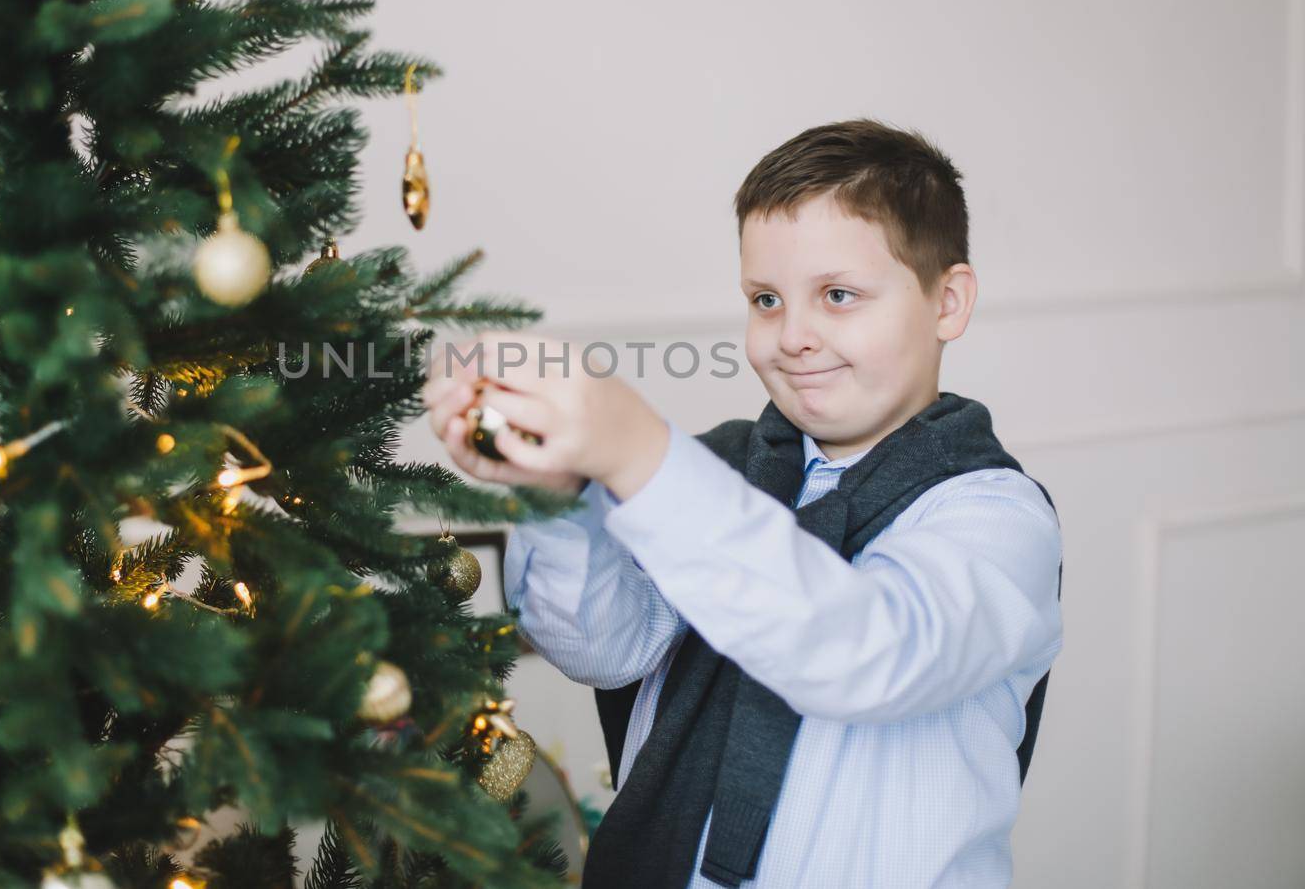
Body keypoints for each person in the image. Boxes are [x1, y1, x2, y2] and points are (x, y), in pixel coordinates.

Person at [421, 118, 1064, 889]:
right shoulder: (713, 472)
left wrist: (638, 454)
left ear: (947, 302)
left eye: (837, 295)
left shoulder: (994, 517)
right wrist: (557, 493)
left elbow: (862, 649)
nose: (792, 335)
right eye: (765, 299)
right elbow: (601, 648)